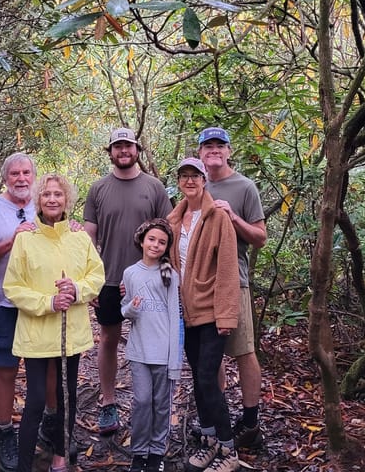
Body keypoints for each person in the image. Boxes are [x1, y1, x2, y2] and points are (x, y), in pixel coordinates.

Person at [3, 173, 105, 472]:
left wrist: (76, 291)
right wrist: (48, 303)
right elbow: (14, 286)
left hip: (69, 332)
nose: (52, 199)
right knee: (35, 400)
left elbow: (95, 276)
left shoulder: (78, 236)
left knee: (67, 394)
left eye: (58, 195)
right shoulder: (25, 238)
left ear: (67, 200)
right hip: (36, 332)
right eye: (46, 194)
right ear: (38, 199)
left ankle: (61, 455)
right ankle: (24, 463)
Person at [84, 127, 172, 435]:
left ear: (137, 149)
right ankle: (108, 403)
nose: (123, 151)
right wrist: (89, 279)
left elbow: (167, 232)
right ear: (110, 151)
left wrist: (163, 275)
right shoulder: (98, 189)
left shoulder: (154, 187)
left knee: (150, 342)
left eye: (128, 146)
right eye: (117, 146)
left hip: (148, 279)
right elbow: (88, 238)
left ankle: (148, 406)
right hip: (108, 280)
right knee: (108, 339)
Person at [0, 153, 62, 472]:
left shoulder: (45, 203)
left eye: (27, 172)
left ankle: (51, 425)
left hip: (42, 302)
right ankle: (4, 433)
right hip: (3, 302)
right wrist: (11, 240)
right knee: (7, 369)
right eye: (14, 173)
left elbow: (62, 241)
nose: (21, 178)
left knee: (49, 366)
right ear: (5, 178)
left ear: (34, 176)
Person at [167, 157, 241, 472]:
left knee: (209, 378)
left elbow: (227, 269)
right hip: (186, 313)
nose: (190, 181)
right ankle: (209, 440)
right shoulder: (173, 219)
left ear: (203, 179)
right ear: (180, 182)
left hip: (212, 311)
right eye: (184, 176)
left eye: (194, 175)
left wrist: (226, 316)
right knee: (198, 378)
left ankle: (229, 451)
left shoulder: (218, 218)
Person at [198, 127, 267, 450]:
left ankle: (250, 419)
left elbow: (260, 238)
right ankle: (221, 416)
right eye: (207, 146)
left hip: (233, 281)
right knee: (212, 356)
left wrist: (234, 217)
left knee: (243, 350)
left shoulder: (244, 187)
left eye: (218, 146)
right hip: (201, 285)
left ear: (228, 151)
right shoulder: (196, 184)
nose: (213, 151)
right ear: (200, 153)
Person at [121, 219, 182, 472]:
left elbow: (174, 317)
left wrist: (175, 359)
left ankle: (156, 453)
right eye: (152, 239)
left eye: (162, 242)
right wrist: (132, 308)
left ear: (167, 247)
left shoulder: (171, 275)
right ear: (142, 241)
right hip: (139, 351)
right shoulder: (130, 273)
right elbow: (125, 310)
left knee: (162, 404)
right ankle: (139, 453)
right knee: (142, 401)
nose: (156, 245)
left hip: (164, 353)